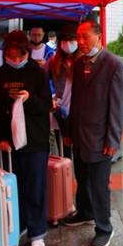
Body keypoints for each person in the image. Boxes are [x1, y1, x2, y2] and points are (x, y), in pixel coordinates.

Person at [0, 30, 52, 246]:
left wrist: (29, 99)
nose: (15, 60)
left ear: (27, 53)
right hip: (7, 143)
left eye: (20, 56)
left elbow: (46, 105)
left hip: (34, 141)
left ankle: (37, 233)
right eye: (10, 56)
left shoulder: (38, 73)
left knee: (35, 187)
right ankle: (18, 225)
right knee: (12, 187)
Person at [62, 20, 123, 246]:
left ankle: (104, 228)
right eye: (77, 37)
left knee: (100, 185)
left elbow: (118, 106)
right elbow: (75, 100)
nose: (80, 42)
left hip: (100, 137)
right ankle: (85, 212)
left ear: (98, 37)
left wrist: (113, 139)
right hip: (79, 135)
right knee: (82, 177)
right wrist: (69, 129)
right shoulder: (79, 64)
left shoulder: (114, 64)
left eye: (85, 37)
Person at [43, 23, 81, 159]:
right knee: (64, 151)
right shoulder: (53, 61)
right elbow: (41, 81)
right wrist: (49, 100)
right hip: (60, 110)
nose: (68, 43)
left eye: (72, 39)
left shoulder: (84, 62)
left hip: (79, 112)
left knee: (80, 152)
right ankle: (65, 172)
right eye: (65, 40)